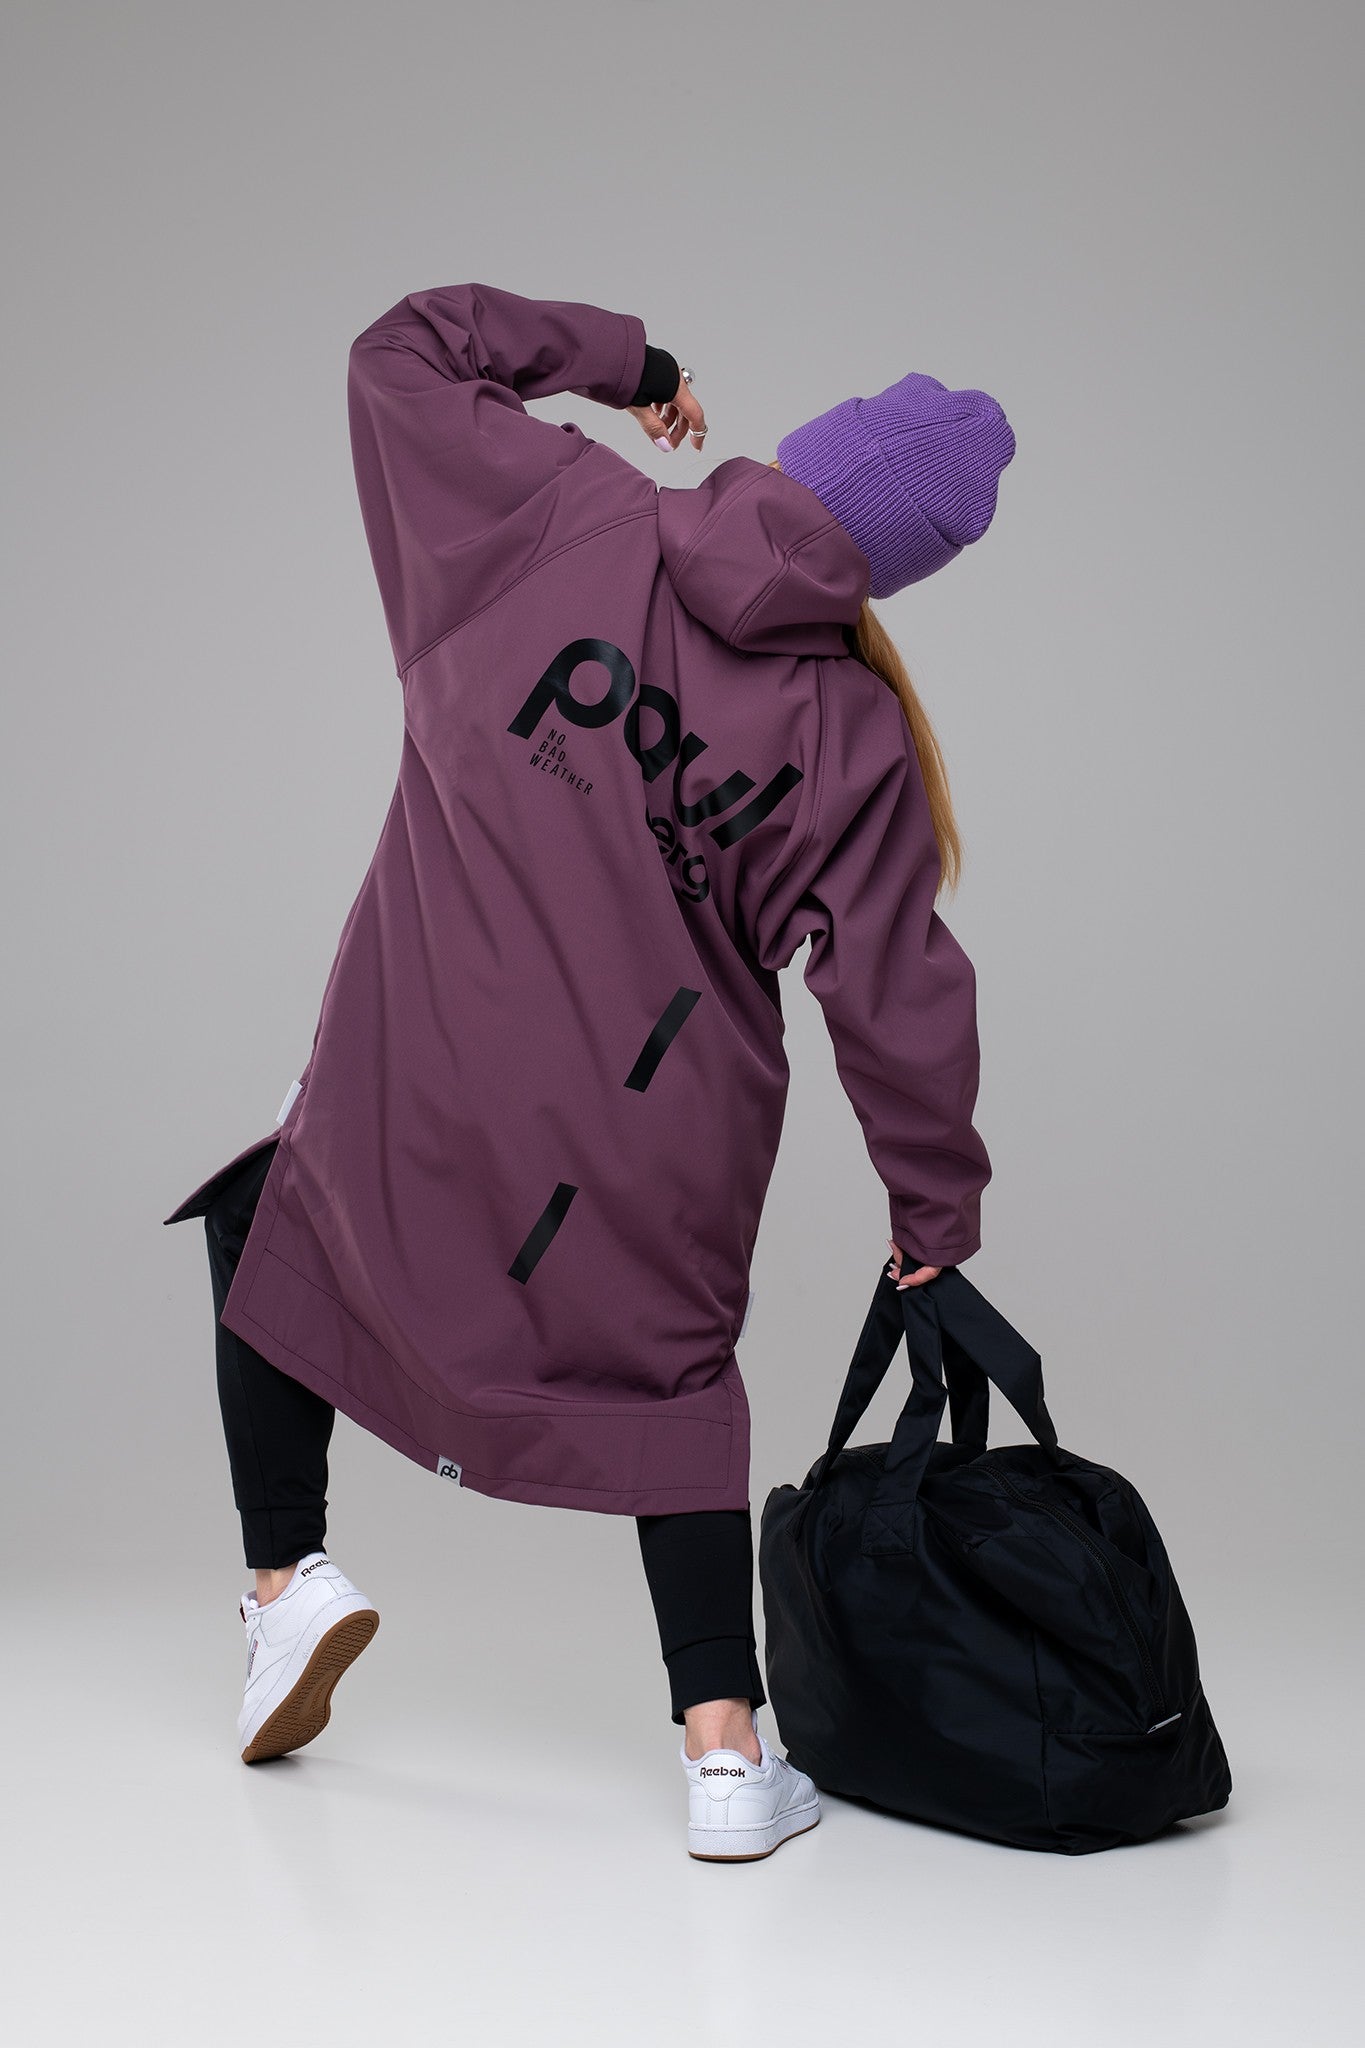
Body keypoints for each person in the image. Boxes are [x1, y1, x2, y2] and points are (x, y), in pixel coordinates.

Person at [164, 283, 1015, 1862]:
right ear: (890, 570)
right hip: (650, 1133)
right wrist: (931, 1221)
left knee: (279, 1216)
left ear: (798, 458)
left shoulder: (569, 512)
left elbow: (401, 352)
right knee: (667, 1384)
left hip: (426, 1053)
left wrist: (636, 366)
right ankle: (722, 1761)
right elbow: (898, 1001)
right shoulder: (857, 733)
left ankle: (286, 1586)